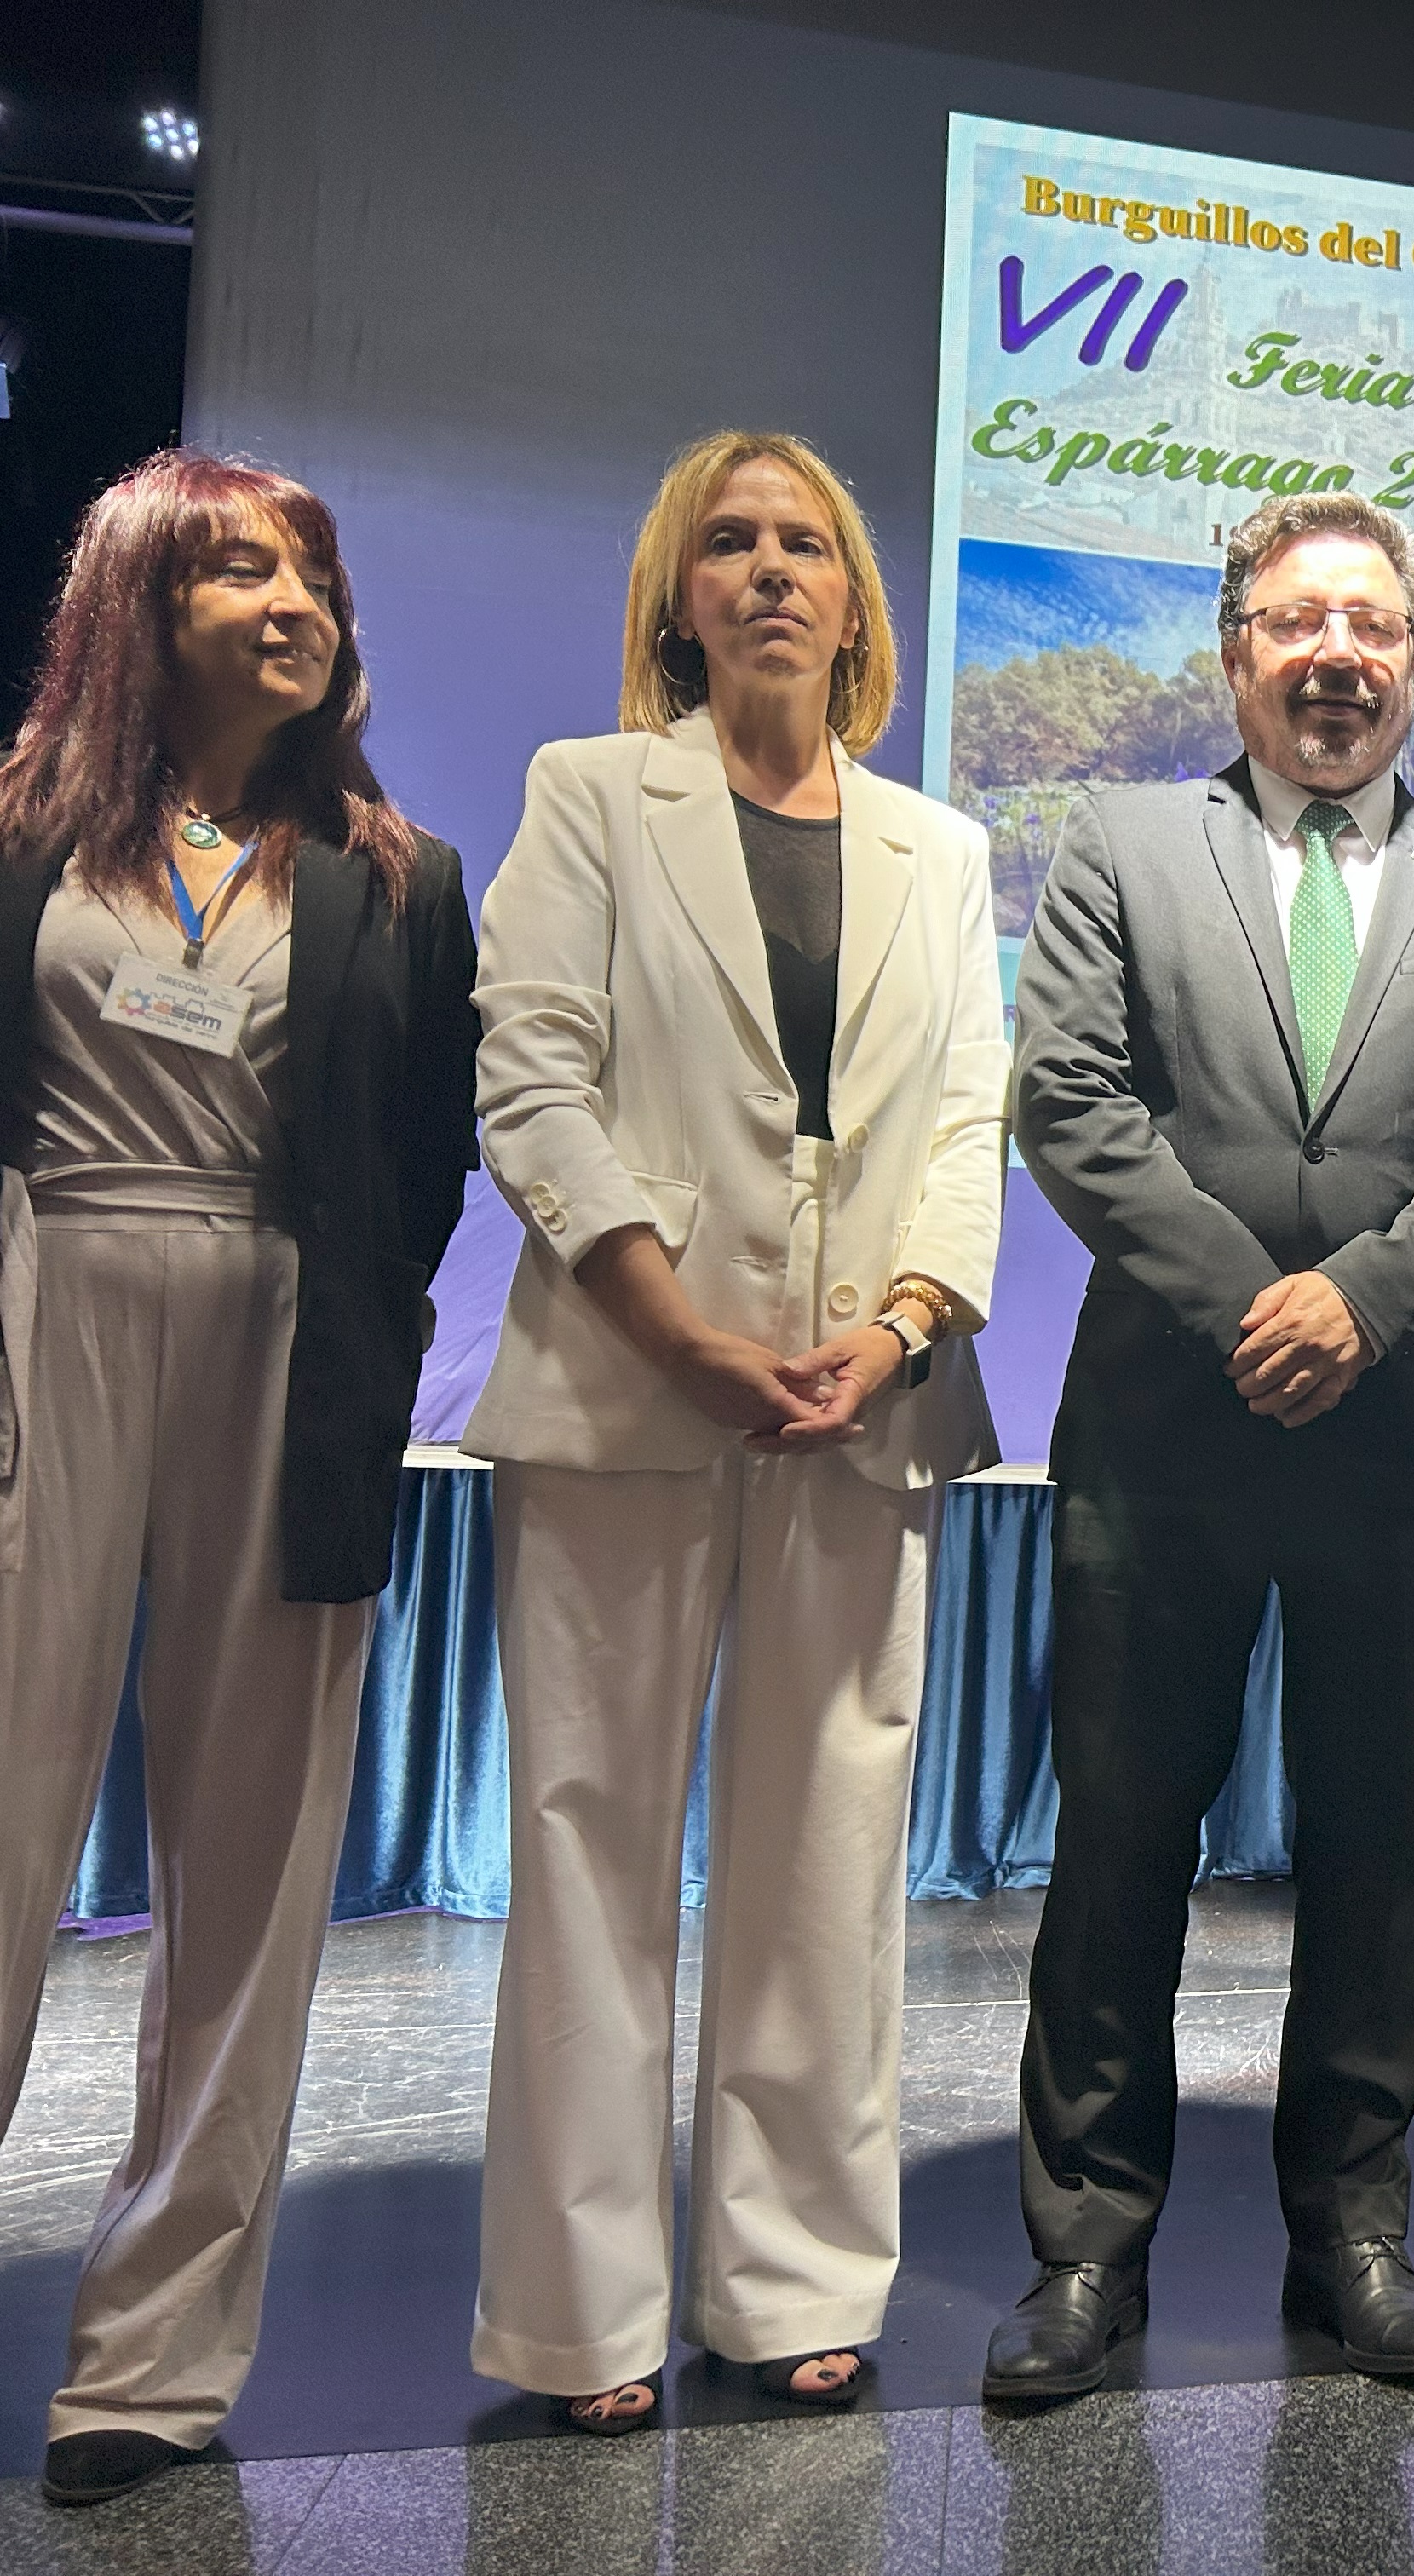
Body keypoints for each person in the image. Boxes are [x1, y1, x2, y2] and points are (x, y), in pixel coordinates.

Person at [997, 491, 1414, 2392]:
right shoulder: (1124, 843)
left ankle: (1357, 2229)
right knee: (1122, 1850)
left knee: (1375, 1853)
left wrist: (1369, 1299)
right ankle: (1088, 2251)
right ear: (1234, 651)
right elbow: (1067, 1097)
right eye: (1296, 624)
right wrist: (1259, 1298)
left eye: (1373, 629)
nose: (1337, 658)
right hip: (1167, 1423)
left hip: (1400, 1435)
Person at [463, 432, 1004, 2433]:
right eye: (732, 544)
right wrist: (671, 1321)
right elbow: (532, 1075)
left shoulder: (944, 852)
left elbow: (968, 1116)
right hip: (626, 1388)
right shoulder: (587, 799)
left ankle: (787, 2284)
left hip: (861, 1411)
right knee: (589, 1849)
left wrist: (907, 1323)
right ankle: (579, 2314)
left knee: (826, 1863)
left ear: (855, 601)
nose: (772, 571)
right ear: (679, 597)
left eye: (807, 546)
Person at [0, 452, 475, 2509]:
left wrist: (359, 1329)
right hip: (42, 1304)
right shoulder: (19, 831)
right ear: (136, 601)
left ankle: (152, 2370)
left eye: (313, 572)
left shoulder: (400, 874)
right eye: (238, 568)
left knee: (252, 1862)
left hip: (289, 1349)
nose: (291, 600)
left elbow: (430, 1150)